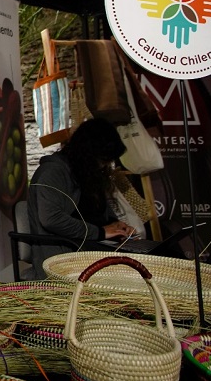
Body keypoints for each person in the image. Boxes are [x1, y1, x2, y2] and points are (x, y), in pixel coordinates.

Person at [27, 117, 134, 279]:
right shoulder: (53, 172)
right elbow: (51, 218)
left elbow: (95, 210)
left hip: (90, 247)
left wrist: (114, 225)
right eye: (103, 159)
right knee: (134, 270)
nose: (104, 165)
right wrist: (100, 232)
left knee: (155, 256)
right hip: (65, 254)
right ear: (89, 153)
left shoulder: (85, 172)